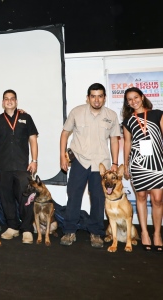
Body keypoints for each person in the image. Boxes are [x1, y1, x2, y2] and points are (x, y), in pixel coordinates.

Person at [60, 83, 120, 248]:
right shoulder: (77, 112)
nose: (96, 99)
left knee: (98, 198)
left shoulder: (112, 115)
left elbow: (114, 139)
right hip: (79, 160)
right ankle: (69, 231)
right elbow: (65, 133)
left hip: (101, 164)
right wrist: (62, 156)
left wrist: (115, 163)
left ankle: (96, 233)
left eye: (100, 96)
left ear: (104, 98)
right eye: (93, 96)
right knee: (74, 196)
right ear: (88, 97)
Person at [0, 89, 38, 244]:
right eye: (6, 99)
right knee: (6, 198)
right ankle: (12, 227)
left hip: (23, 167)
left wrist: (34, 160)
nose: (9, 101)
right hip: (3, 166)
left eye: (12, 99)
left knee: (26, 198)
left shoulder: (26, 118)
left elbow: (33, 140)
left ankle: (27, 229)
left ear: (16, 101)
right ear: (2, 102)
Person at [122, 87, 163, 252]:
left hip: (157, 162)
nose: (133, 101)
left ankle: (157, 234)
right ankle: (145, 233)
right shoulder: (127, 121)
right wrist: (125, 165)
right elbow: (127, 143)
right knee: (140, 196)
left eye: (136, 97)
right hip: (138, 163)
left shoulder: (157, 114)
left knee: (158, 199)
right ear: (127, 102)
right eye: (130, 99)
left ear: (142, 97)